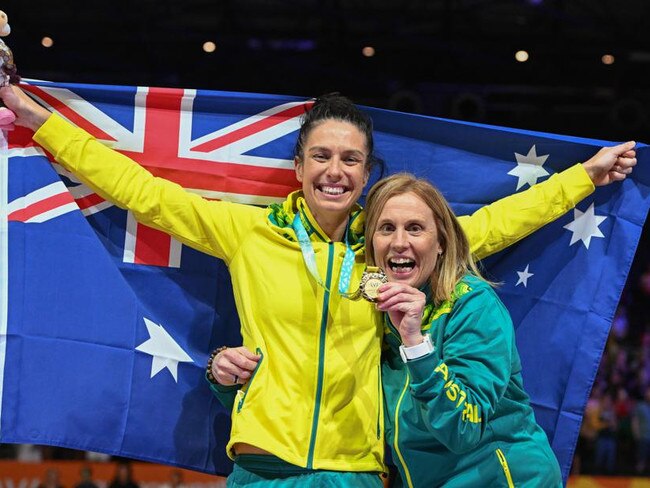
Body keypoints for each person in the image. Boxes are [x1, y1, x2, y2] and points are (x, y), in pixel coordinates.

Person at [0, 85, 636, 487]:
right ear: (299, 166)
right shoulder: (245, 233)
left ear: (365, 172)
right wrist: (34, 116)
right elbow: (142, 192)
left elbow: (484, 227)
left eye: (351, 159)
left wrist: (585, 177)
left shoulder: (387, 246)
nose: (335, 171)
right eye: (323, 156)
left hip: (351, 470)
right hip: (260, 464)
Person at [365, 173, 564, 487]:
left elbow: (463, 427)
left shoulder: (473, 305)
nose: (399, 242)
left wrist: (416, 344)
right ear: (372, 242)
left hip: (503, 479)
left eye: (414, 228)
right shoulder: (375, 314)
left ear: (442, 242)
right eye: (386, 228)